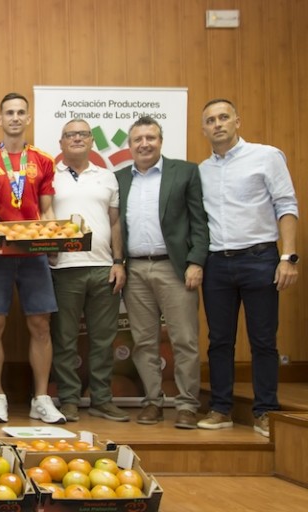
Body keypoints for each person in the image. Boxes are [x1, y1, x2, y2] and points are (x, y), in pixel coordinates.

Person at [197, 99, 299, 437]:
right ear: (204, 128)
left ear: (237, 121)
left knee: (263, 340)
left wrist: (288, 257)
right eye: (211, 120)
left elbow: (286, 205)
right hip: (217, 264)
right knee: (219, 341)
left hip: (260, 259)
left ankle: (265, 411)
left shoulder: (266, 156)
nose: (218, 124)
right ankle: (221, 408)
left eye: (224, 117)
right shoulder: (202, 170)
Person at [114, 116, 209, 429]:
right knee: (144, 342)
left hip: (175, 268)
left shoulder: (184, 172)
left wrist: (196, 261)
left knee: (184, 340)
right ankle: (153, 402)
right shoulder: (118, 178)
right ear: (129, 145)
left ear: (160, 141)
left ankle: (186, 404)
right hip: (136, 268)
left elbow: (199, 221)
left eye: (150, 138)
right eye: (138, 139)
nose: (144, 144)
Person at [0, 92, 64, 424]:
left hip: (33, 253)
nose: (14, 117)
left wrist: (51, 236)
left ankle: (41, 398)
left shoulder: (42, 160)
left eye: (20, 112)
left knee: (40, 324)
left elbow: (47, 208)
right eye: (8, 112)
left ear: (28, 119)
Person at [50, 118, 128, 423]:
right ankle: (69, 400)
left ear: (92, 141)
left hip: (103, 267)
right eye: (70, 135)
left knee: (103, 339)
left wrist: (119, 262)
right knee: (65, 338)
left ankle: (102, 399)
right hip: (64, 268)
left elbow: (115, 222)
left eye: (83, 134)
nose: (77, 138)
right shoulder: (50, 176)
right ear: (61, 143)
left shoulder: (107, 177)